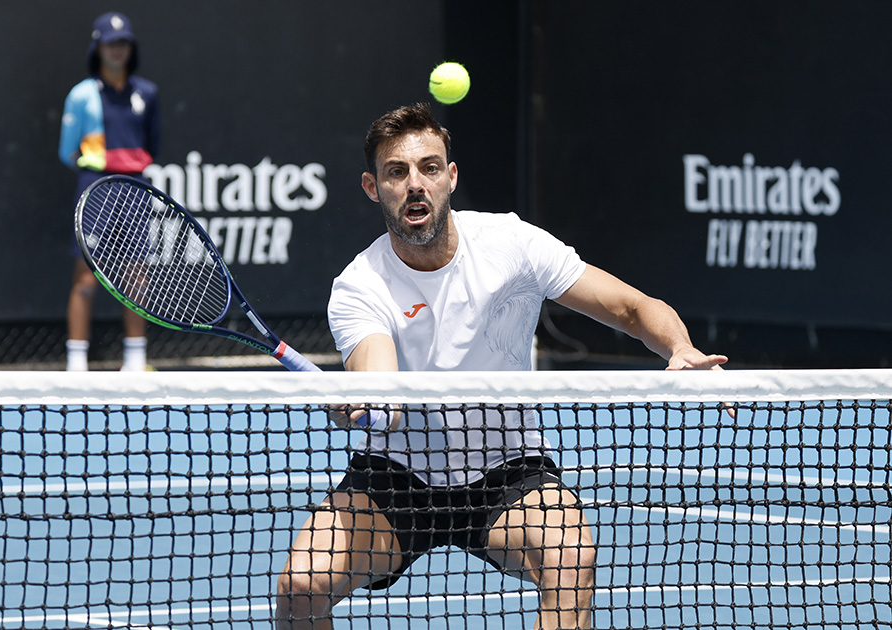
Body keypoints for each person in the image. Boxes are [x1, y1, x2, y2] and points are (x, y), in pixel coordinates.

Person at [275, 103, 729, 629]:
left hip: (507, 472)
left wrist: (678, 346)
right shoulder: (361, 285)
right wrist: (364, 404)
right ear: (373, 187)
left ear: (451, 177)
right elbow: (383, 390)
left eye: (428, 167)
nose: (415, 183)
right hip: (395, 479)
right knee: (300, 585)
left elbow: (632, 307)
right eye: (397, 172)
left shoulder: (512, 245)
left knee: (570, 555)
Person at [58, 11, 160, 371]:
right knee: (86, 277)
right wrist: (98, 170)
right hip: (95, 189)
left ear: (130, 48)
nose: (117, 49)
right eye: (110, 43)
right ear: (98, 48)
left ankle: (135, 361)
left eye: (123, 43)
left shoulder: (147, 93)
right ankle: (76, 363)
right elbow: (67, 151)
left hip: (135, 189)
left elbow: (152, 145)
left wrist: (127, 166)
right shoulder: (82, 96)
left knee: (135, 274)